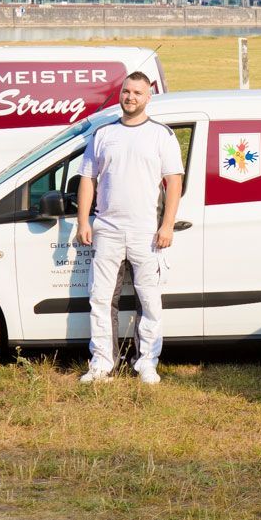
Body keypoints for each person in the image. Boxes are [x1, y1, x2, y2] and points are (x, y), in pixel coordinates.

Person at [75, 72, 183, 385]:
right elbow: (87, 179)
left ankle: (146, 363)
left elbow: (174, 181)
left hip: (146, 232)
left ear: (148, 97)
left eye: (137, 92)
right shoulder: (104, 134)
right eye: (126, 91)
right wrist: (84, 221)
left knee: (148, 300)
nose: (130, 97)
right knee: (101, 298)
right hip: (107, 229)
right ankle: (102, 364)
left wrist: (167, 225)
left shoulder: (161, 135)